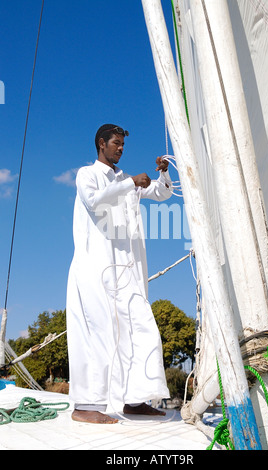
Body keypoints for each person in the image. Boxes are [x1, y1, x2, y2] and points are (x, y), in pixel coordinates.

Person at [66, 124, 173, 423]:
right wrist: (130, 184)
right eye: (116, 143)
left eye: (123, 144)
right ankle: (86, 406)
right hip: (95, 268)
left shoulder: (125, 178)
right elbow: (95, 200)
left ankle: (135, 399)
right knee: (98, 334)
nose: (121, 149)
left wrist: (163, 173)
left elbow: (162, 193)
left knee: (143, 328)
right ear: (102, 144)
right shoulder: (86, 174)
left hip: (126, 273)